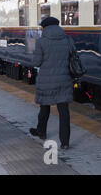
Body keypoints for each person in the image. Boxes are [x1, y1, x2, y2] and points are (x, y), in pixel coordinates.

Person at [29, 16, 74, 149]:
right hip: (64, 79)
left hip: (46, 81)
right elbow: (73, 57)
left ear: (45, 28)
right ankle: (65, 142)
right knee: (64, 112)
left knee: (44, 108)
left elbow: (36, 62)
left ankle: (41, 132)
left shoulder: (41, 42)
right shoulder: (68, 40)